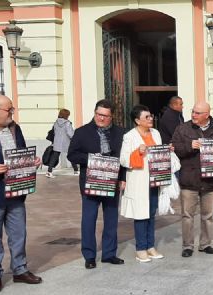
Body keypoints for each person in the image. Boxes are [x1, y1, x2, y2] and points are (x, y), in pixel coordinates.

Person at [0, 94, 42, 294]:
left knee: (18, 234)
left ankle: (20, 269)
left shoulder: (15, 128)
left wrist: (31, 161)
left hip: (17, 191)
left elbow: (22, 152)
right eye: (9, 110)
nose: (12, 113)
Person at [68, 99, 126, 269]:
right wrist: (92, 160)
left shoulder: (121, 133)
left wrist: (123, 178)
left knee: (111, 219)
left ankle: (109, 254)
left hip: (112, 182)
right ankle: (89, 256)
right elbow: (72, 155)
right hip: (90, 183)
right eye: (99, 114)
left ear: (112, 117)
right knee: (88, 219)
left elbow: (123, 159)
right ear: (95, 113)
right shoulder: (81, 132)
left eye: (105, 116)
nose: (101, 118)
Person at [172, 101, 213, 257]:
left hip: (211, 180)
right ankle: (187, 246)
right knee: (187, 215)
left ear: (206, 115)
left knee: (208, 216)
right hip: (189, 179)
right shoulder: (183, 128)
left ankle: (205, 244)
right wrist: (190, 146)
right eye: (193, 111)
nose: (193, 115)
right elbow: (174, 148)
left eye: (197, 113)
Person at [119, 105, 166, 262]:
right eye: (147, 117)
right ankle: (141, 248)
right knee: (140, 215)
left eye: (151, 116)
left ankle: (150, 246)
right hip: (139, 180)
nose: (150, 119)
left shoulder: (156, 133)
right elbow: (124, 160)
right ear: (137, 120)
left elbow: (159, 152)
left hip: (154, 180)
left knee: (152, 213)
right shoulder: (130, 137)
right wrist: (137, 152)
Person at [46, 108, 78, 178]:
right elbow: (70, 134)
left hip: (57, 142)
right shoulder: (67, 123)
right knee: (72, 155)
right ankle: (76, 170)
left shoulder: (56, 122)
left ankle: (49, 171)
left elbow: (54, 132)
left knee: (54, 157)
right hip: (66, 142)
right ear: (66, 115)